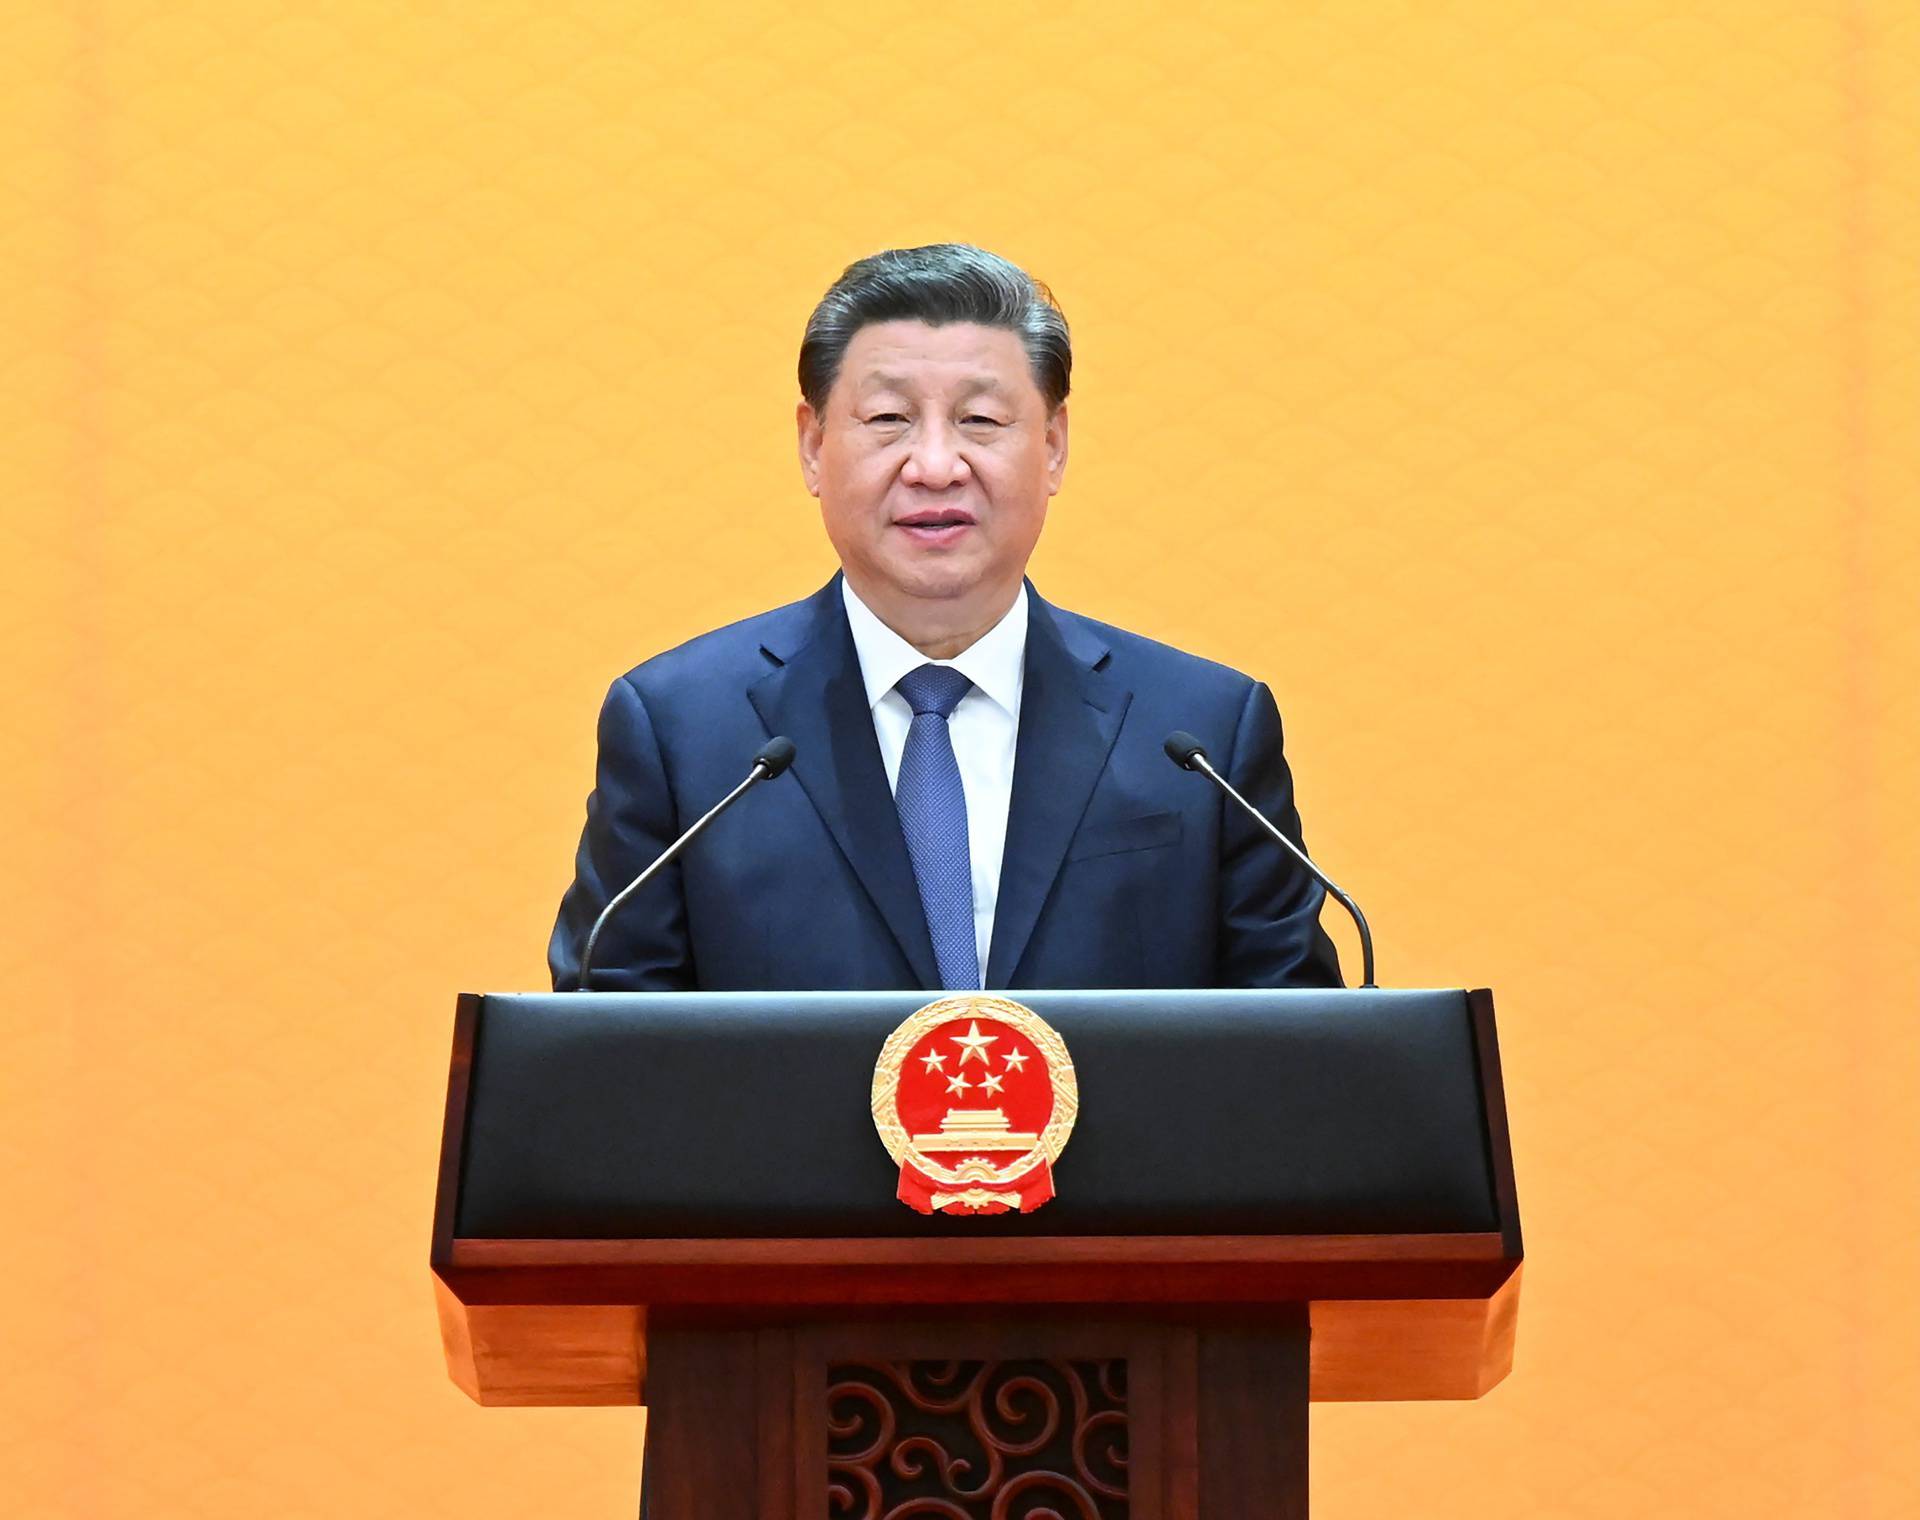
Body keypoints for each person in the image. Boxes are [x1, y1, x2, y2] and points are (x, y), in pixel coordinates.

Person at [549, 243, 1341, 994]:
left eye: (982, 422)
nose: (934, 466)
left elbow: (1300, 1055)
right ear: (814, 446)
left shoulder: (1199, 734)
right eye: (888, 419)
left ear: (1054, 446)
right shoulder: (683, 730)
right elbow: (602, 1051)